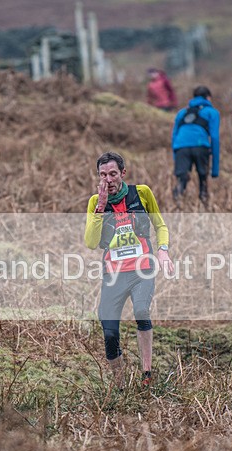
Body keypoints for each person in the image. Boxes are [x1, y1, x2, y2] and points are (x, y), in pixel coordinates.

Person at [84, 151, 175, 388]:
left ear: (123, 173)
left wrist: (163, 250)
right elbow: (91, 242)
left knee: (142, 311)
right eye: (103, 175)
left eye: (113, 174)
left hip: (142, 269)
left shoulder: (142, 193)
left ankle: (147, 374)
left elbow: (160, 225)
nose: (108, 180)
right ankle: (120, 384)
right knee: (109, 330)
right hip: (113, 274)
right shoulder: (95, 202)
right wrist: (101, 208)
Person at [171, 86, 221, 207]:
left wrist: (175, 157)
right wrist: (215, 169)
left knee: (182, 177)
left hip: (181, 146)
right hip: (200, 146)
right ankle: (204, 201)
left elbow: (174, 136)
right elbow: (214, 137)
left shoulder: (182, 113)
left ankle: (178, 199)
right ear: (208, 98)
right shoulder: (212, 112)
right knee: (203, 176)